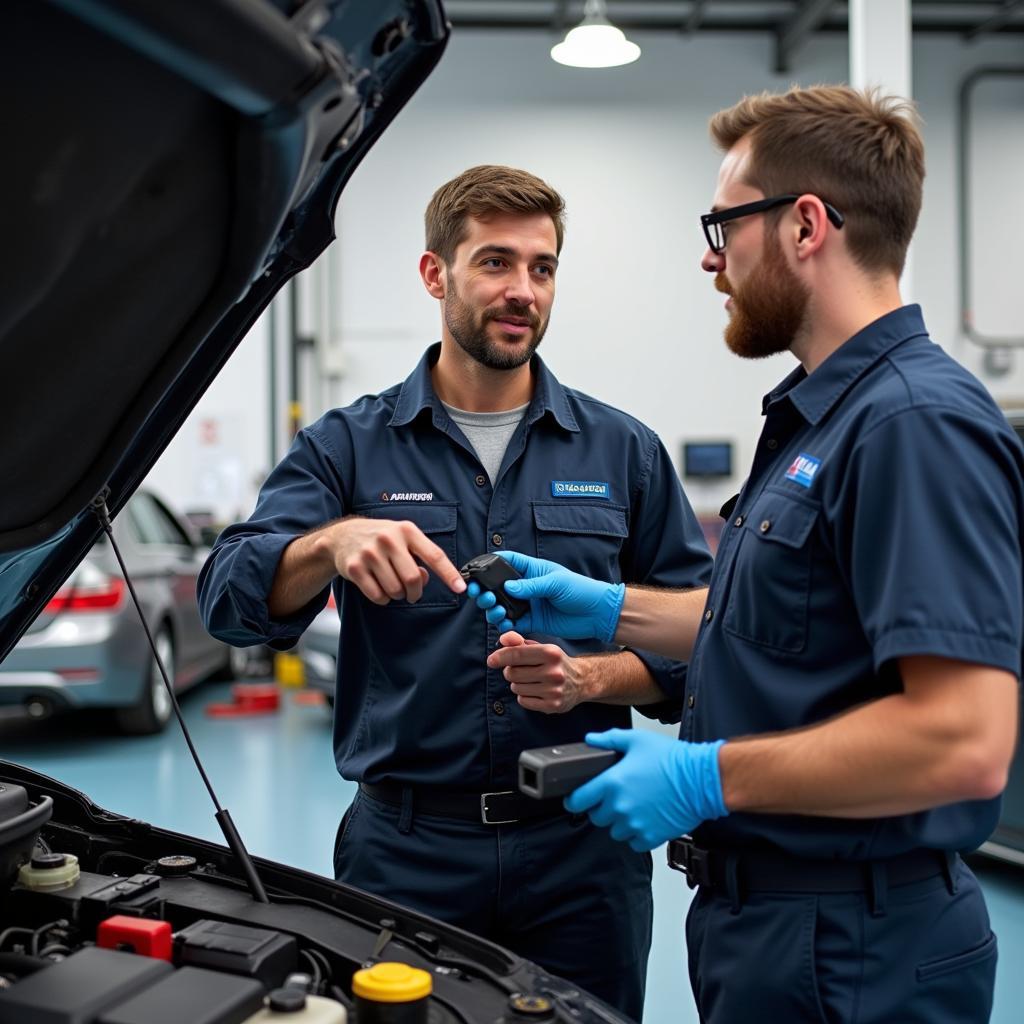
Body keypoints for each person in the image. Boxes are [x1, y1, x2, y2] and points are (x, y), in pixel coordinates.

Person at [472, 88, 1023, 1023]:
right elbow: (787, 618)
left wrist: (702, 777)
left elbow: (964, 741)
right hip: (778, 931)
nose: (708, 255)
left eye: (725, 223)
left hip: (855, 951)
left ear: (806, 225)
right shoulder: (828, 415)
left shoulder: (912, 425)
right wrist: (611, 607)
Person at [197, 164, 712, 1019]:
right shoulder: (347, 446)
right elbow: (229, 595)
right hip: (406, 855)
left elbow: (703, 644)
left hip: (584, 850)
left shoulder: (624, 452)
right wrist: (330, 542)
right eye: (496, 263)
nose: (523, 291)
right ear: (437, 274)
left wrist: (594, 678)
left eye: (542, 268)